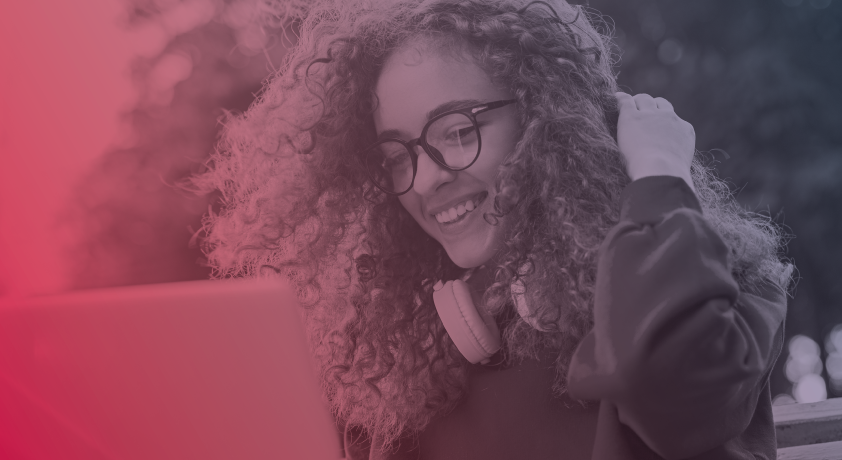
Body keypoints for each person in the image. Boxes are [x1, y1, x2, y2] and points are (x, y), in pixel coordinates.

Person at [194, 0, 792, 458]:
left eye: (457, 131)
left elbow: (677, 394)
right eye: (399, 156)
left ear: (546, 116)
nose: (425, 180)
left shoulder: (727, 291)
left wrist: (659, 171)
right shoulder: (406, 365)